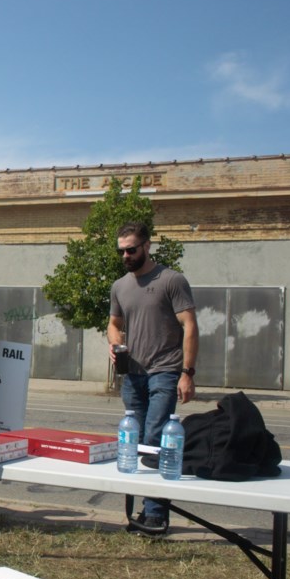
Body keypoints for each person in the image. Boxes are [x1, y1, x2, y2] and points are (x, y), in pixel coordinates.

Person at [107, 222, 199, 535]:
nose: (126, 255)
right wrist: (115, 341)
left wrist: (187, 373)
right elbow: (113, 323)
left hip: (165, 370)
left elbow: (189, 325)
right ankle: (141, 514)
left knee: (155, 439)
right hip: (133, 375)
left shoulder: (171, 280)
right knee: (133, 445)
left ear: (147, 246)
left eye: (131, 249)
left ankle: (156, 515)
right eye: (121, 251)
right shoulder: (120, 286)